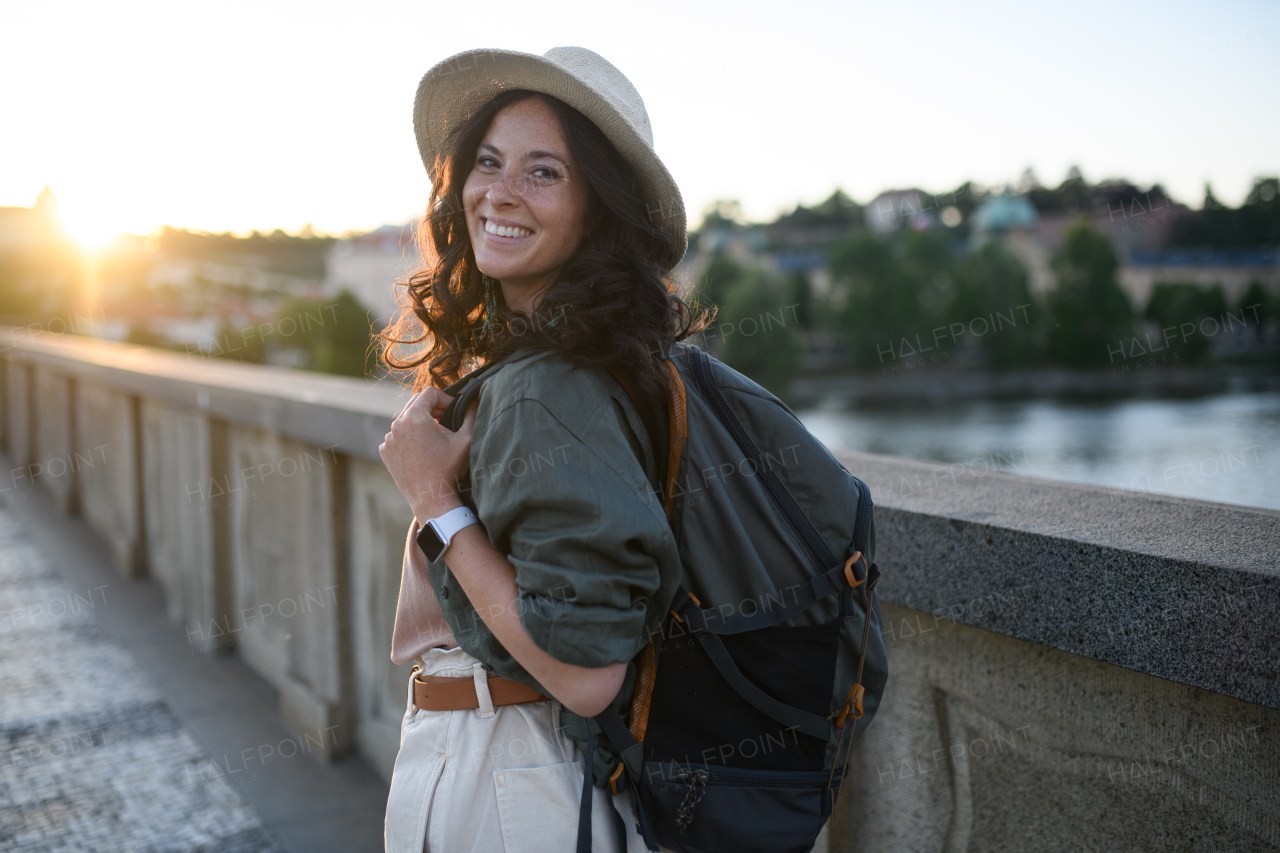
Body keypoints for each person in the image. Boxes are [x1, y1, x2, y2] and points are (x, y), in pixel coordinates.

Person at [377, 46, 706, 853]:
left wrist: (436, 502)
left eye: (543, 172)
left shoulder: (545, 386)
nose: (499, 192)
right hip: (520, 769)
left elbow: (589, 675)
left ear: (600, 207)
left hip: (510, 770)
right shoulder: (588, 359)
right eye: (487, 163)